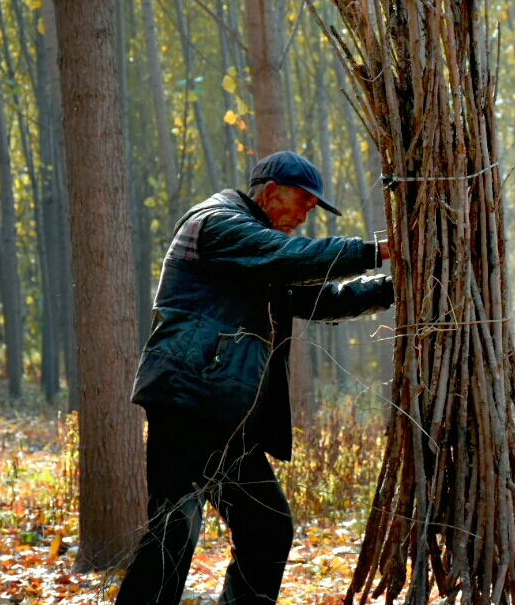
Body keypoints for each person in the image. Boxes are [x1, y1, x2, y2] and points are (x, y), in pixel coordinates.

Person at [117, 151, 394, 605]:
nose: (307, 214)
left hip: (227, 413)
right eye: (303, 201)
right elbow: (287, 258)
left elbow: (317, 299)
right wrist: (374, 251)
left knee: (266, 528)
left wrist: (391, 288)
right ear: (269, 192)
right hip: (187, 400)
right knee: (173, 535)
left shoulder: (258, 251)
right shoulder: (216, 223)